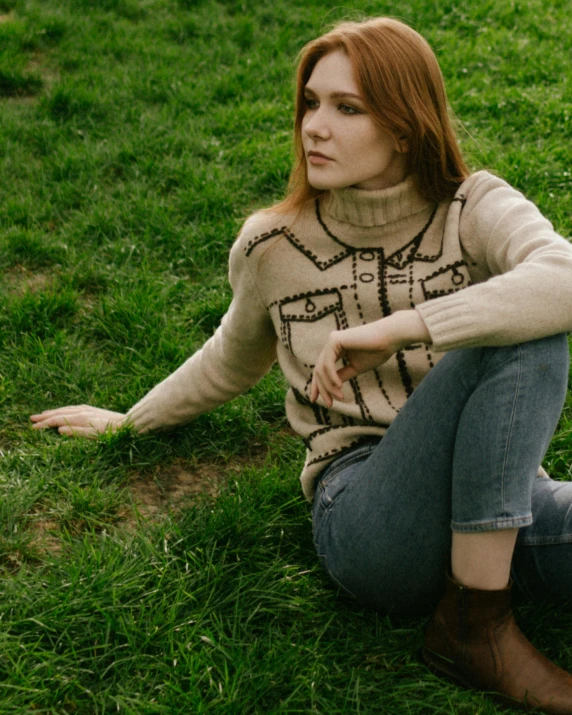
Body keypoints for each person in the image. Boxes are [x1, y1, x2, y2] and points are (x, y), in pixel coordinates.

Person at [31, 16, 572, 713]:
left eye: (347, 108)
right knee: (517, 335)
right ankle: (476, 630)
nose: (315, 126)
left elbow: (563, 275)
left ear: (405, 126)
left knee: (532, 307)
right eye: (311, 103)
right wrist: (128, 422)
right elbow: (229, 357)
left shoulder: (473, 206)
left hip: (496, 497)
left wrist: (402, 328)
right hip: (374, 518)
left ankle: (477, 589)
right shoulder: (274, 244)